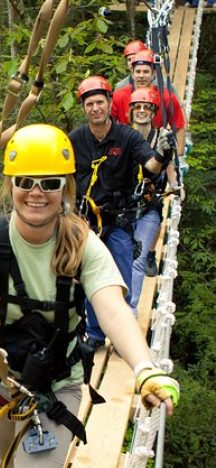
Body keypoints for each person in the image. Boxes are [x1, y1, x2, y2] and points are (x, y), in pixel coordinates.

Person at [0, 123, 179, 468]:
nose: (37, 193)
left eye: (50, 183)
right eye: (25, 182)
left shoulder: (82, 245)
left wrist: (144, 368)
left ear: (66, 189)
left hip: (56, 385)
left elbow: (113, 310)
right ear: (10, 186)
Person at [69, 75, 174, 349]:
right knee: (92, 279)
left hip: (118, 220)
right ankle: (94, 334)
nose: (95, 108)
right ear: (84, 108)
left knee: (122, 280)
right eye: (89, 104)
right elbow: (61, 174)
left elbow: (150, 166)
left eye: (99, 102)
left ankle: (122, 335)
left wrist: (162, 155)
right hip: (88, 222)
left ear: (109, 104)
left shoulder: (126, 137)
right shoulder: (76, 140)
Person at [127, 88, 179, 313]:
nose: (141, 111)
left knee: (137, 258)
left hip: (150, 206)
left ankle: (131, 309)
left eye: (146, 107)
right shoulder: (123, 136)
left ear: (153, 111)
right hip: (124, 207)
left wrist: (176, 185)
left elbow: (169, 167)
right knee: (120, 258)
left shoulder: (162, 137)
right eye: (137, 107)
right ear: (131, 111)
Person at [111, 49, 186, 163]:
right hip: (127, 149)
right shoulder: (120, 95)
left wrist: (177, 157)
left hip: (156, 148)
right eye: (138, 72)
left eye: (145, 72)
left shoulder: (166, 97)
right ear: (132, 72)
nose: (141, 76)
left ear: (154, 73)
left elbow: (179, 126)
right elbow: (109, 124)